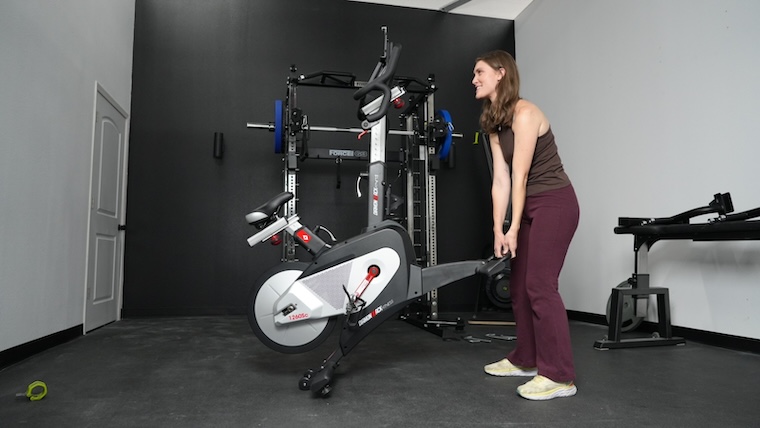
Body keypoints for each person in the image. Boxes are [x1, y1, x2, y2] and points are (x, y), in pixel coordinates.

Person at [472, 50, 580, 401]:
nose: (474, 79)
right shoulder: (494, 121)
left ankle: (559, 376)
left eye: (480, 72)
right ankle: (526, 360)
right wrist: (497, 230)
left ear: (501, 73)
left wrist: (514, 227)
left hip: (555, 203)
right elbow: (500, 180)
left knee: (540, 286)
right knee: (517, 287)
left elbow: (520, 176)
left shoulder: (525, 113)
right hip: (528, 205)